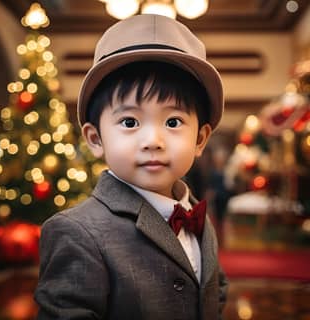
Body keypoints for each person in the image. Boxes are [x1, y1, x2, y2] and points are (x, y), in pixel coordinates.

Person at [35, 14, 228, 320]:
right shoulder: (75, 231)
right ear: (96, 139)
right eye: (129, 122)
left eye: (173, 122)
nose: (153, 140)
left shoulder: (196, 216)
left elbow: (214, 293)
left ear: (201, 139)